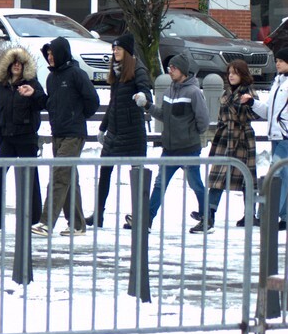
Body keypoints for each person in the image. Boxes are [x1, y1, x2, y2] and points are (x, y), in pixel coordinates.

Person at [126, 52, 209, 231]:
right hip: (170, 149)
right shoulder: (168, 90)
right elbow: (163, 115)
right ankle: (147, 219)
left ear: (183, 71)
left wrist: (190, 134)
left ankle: (207, 218)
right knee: (159, 184)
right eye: (170, 67)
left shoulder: (194, 92)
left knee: (195, 184)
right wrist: (147, 105)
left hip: (189, 149)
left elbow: (203, 121)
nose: (170, 70)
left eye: (174, 68)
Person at [31, 37, 99, 238]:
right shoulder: (51, 78)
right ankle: (77, 224)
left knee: (60, 175)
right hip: (58, 133)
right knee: (69, 178)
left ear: (61, 53)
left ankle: (46, 222)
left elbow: (92, 100)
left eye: (52, 53)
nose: (50, 57)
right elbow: (51, 103)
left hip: (73, 134)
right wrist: (34, 94)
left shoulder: (76, 74)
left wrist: (77, 116)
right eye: (48, 54)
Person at [89, 33, 152, 228]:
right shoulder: (116, 72)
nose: (115, 52)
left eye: (118, 49)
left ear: (127, 51)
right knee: (105, 172)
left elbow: (146, 91)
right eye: (114, 49)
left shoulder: (138, 69)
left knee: (137, 174)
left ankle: (138, 216)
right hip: (115, 132)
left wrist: (143, 97)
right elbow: (113, 104)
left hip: (133, 132)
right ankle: (98, 214)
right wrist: (103, 128)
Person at [0, 47, 46, 231]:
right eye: (13, 63)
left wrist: (33, 93)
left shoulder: (32, 83)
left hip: (27, 138)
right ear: (8, 65)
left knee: (30, 179)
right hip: (8, 139)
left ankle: (34, 219)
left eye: (20, 63)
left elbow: (43, 103)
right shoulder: (1, 87)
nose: (17, 66)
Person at [197, 60, 260, 233]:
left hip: (242, 138)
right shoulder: (227, 92)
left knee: (247, 178)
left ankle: (250, 214)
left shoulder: (249, 92)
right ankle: (209, 214)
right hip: (226, 138)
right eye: (229, 72)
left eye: (235, 73)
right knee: (218, 177)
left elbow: (256, 114)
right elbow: (221, 116)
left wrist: (248, 103)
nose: (231, 76)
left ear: (243, 74)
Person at [251, 47, 288, 230]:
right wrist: (252, 103)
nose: (277, 64)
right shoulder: (277, 82)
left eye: (281, 61)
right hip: (275, 135)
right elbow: (268, 111)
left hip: (285, 136)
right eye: (277, 61)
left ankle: (268, 214)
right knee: (283, 176)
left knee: (277, 174)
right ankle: (284, 217)